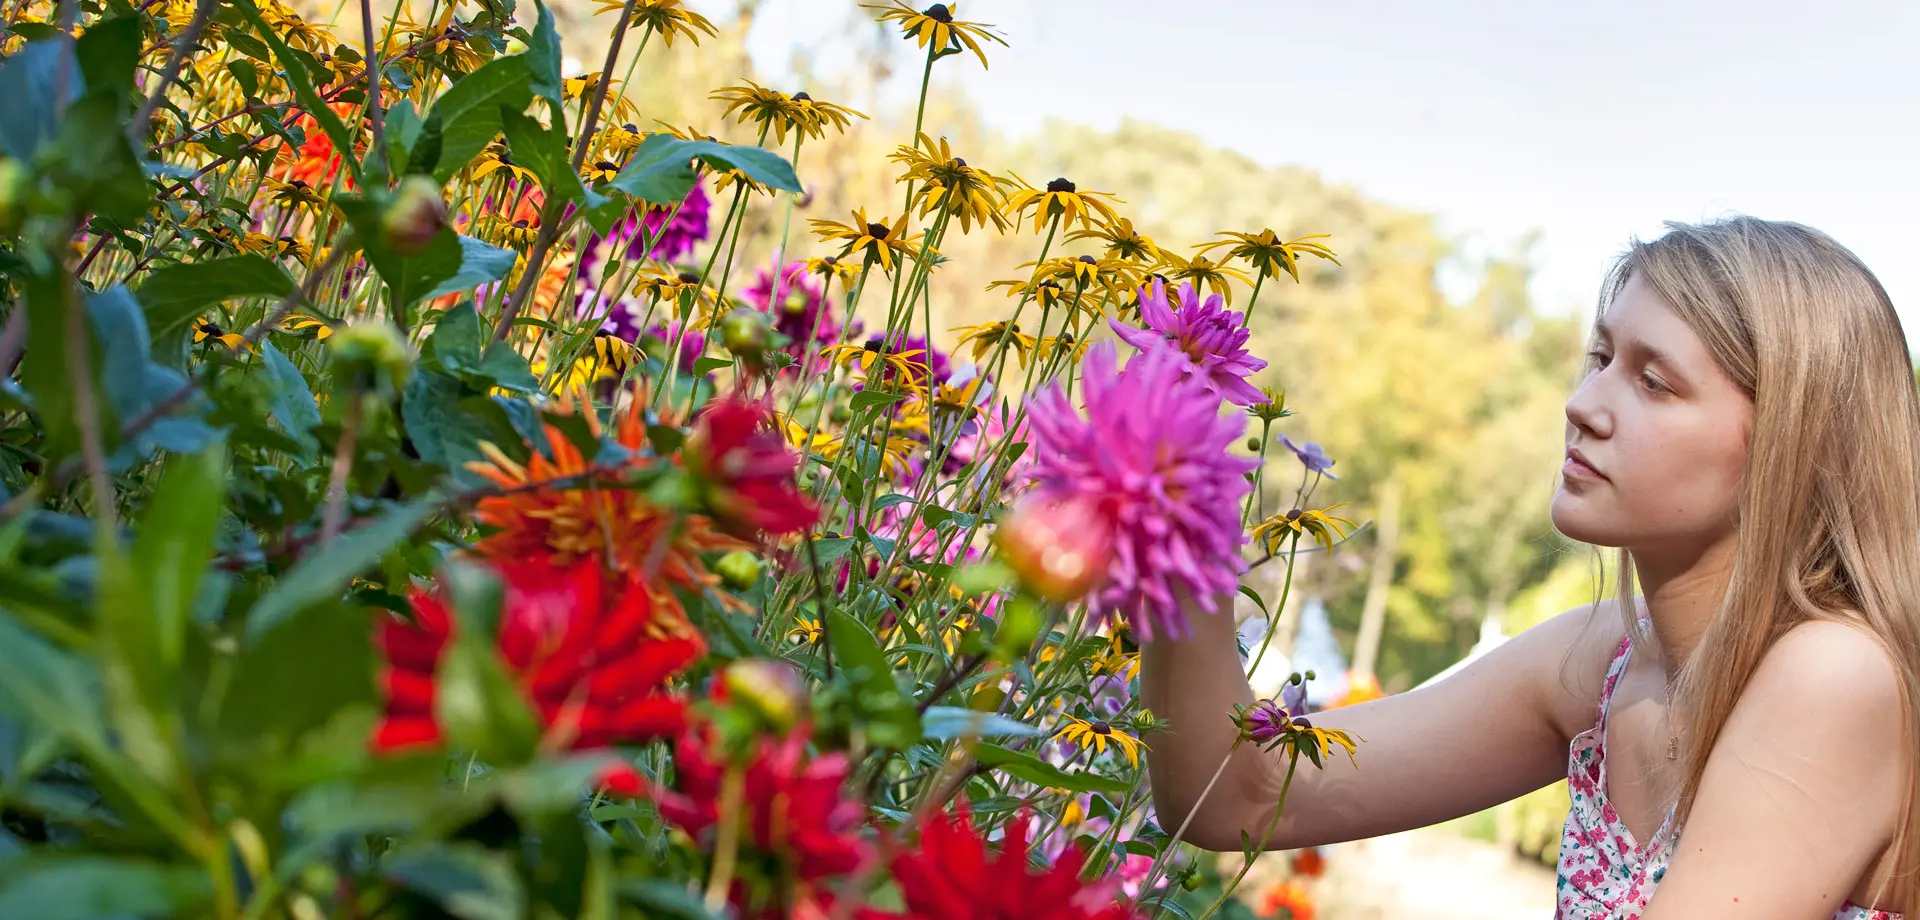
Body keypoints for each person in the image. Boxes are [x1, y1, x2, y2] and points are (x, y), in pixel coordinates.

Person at [1142, 217, 1920, 919]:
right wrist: (1181, 523)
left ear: (1794, 445)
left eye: (1654, 381)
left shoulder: (1836, 674)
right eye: (1602, 357)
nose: (1583, 403)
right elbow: (1233, 796)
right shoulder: (1606, 660)